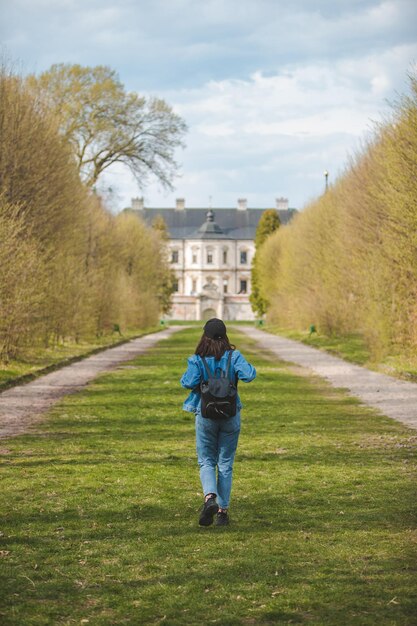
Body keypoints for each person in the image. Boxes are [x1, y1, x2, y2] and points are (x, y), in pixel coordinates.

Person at [180, 318, 256, 527]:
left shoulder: (198, 359)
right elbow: (249, 375)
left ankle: (209, 498)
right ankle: (222, 512)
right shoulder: (234, 356)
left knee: (206, 460)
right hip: (230, 415)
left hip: (205, 414)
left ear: (205, 336)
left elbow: (187, 382)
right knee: (225, 463)